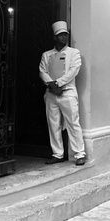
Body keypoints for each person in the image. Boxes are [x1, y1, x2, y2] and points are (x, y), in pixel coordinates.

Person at [39, 21, 87, 166]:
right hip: (51, 93)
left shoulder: (74, 53)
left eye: (65, 35)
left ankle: (80, 153)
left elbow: (73, 70)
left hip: (68, 93)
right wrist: (51, 85)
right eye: (60, 35)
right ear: (55, 37)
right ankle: (57, 154)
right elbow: (42, 71)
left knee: (73, 123)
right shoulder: (46, 55)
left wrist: (58, 83)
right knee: (53, 124)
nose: (64, 37)